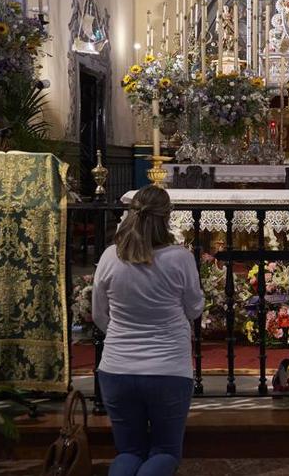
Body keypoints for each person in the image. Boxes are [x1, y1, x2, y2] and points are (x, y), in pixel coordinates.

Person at [93, 186, 203, 476]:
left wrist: (120, 334)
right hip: (167, 370)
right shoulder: (180, 258)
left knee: (128, 451)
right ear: (167, 218)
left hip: (116, 368)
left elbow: (98, 314)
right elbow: (194, 310)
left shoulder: (109, 257)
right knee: (165, 452)